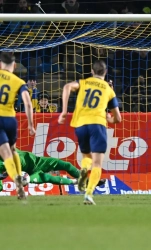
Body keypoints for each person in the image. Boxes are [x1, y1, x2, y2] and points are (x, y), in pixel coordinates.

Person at [58, 60, 121, 205]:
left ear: (92, 72)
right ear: (105, 73)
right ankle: (89, 193)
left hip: (80, 124)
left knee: (86, 156)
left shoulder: (84, 82)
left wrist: (64, 111)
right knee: (98, 163)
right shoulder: (108, 90)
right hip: (97, 124)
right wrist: (109, 119)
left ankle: (83, 171)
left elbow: (67, 87)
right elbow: (118, 118)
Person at [0, 52, 35, 200]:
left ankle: (16, 180)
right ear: (14, 66)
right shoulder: (19, 81)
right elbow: (27, 103)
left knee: (5, 154)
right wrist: (31, 125)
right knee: (13, 150)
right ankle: (19, 182)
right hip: (10, 119)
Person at [0, 148, 106, 190]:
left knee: (66, 165)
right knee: (46, 177)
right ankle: (78, 182)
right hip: (29, 174)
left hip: (37, 162)